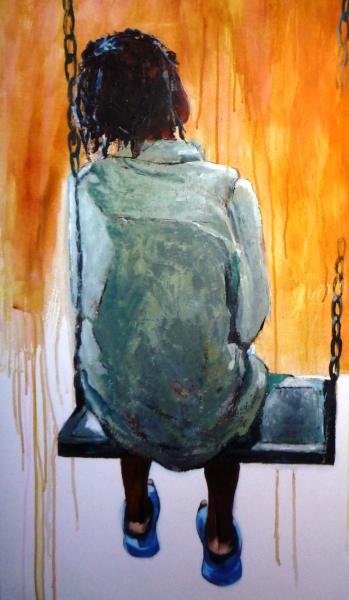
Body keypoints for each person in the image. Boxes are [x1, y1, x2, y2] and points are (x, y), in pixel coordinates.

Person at [69, 29, 270, 585]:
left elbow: (87, 305)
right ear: (175, 99)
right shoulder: (228, 191)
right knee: (219, 376)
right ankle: (220, 533)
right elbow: (250, 319)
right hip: (208, 410)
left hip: (122, 403)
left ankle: (137, 515)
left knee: (125, 363)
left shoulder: (87, 190)